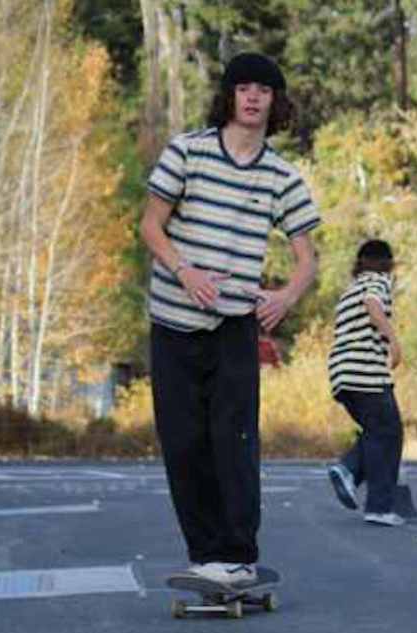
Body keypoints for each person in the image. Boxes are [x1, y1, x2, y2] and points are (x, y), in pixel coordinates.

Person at [139, 52, 321, 584]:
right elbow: (151, 225)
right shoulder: (188, 153)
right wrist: (184, 270)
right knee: (184, 442)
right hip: (173, 320)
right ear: (229, 96)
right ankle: (205, 556)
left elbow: (307, 258)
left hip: (235, 326)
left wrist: (285, 297)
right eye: (243, 88)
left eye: (263, 90)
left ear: (275, 102)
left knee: (235, 440)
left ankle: (238, 556)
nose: (252, 97)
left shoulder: (281, 176)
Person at [325, 240, 406, 526]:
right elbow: (373, 306)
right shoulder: (377, 280)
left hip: (342, 373)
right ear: (387, 263)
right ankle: (378, 505)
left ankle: (349, 472)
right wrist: (393, 341)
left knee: (378, 431)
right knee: (389, 432)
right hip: (365, 373)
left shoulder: (350, 290)